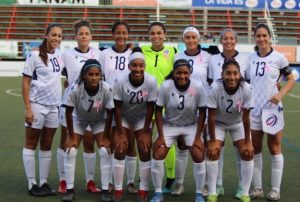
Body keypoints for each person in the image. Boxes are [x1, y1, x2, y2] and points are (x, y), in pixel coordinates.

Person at [247, 23, 295, 201]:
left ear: (269, 37)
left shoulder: (279, 58)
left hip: (272, 111)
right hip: (254, 110)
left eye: (264, 35)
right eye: (258, 36)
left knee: (274, 148)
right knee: (255, 150)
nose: (261, 39)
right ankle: (257, 188)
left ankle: (275, 190)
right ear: (255, 38)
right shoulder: (250, 58)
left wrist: (280, 93)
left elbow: (291, 79)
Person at [150, 59, 207, 202]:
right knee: (158, 154)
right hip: (170, 124)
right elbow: (158, 110)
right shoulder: (166, 86)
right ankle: (158, 193)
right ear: (173, 73)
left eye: (185, 73)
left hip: (191, 125)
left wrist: (198, 136)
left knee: (199, 155)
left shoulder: (198, 86)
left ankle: (199, 194)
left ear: (190, 73)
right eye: (179, 73)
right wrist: (161, 136)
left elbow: (202, 112)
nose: (182, 76)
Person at [57, 19, 102, 194]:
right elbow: (55, 66)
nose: (83, 36)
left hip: (91, 105)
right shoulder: (66, 54)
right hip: (70, 104)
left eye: (86, 33)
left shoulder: (98, 54)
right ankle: (63, 180)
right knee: (65, 142)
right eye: (80, 33)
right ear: (75, 36)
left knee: (89, 143)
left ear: (91, 36)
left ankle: (90, 181)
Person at [62, 59, 114, 202]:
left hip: (99, 121)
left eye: (97, 74)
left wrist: (106, 136)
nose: (94, 77)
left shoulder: (107, 88)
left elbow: (110, 113)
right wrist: (71, 136)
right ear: (84, 75)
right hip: (79, 119)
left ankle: (105, 190)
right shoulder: (75, 88)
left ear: (101, 76)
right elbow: (68, 112)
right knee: (71, 151)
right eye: (90, 74)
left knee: (104, 150)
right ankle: (69, 190)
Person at [207, 28, 250, 198]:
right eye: (225, 38)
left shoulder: (245, 59)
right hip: (218, 118)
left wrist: (248, 140)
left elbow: (248, 83)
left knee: (246, 151)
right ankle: (216, 188)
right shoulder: (213, 61)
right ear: (221, 40)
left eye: (232, 38)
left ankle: (243, 189)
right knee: (215, 150)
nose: (229, 41)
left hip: (238, 119)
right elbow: (211, 83)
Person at [22, 23, 63, 197]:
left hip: (55, 107)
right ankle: (32, 184)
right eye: (53, 35)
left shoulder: (60, 55)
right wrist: (28, 108)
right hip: (37, 105)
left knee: (47, 145)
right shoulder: (34, 55)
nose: (56, 39)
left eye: (60, 36)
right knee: (31, 144)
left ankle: (44, 182)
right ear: (46, 35)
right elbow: (25, 82)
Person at [112, 47, 158, 202]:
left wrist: (145, 131)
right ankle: (118, 189)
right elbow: (117, 106)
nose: (137, 69)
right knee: (120, 147)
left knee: (144, 148)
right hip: (123, 116)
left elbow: (151, 106)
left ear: (144, 66)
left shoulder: (151, 81)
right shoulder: (120, 80)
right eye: (134, 65)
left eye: (140, 65)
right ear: (129, 66)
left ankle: (143, 189)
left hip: (141, 117)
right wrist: (119, 131)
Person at [99, 21, 138, 196]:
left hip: (129, 105)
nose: (121, 36)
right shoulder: (104, 54)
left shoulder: (133, 53)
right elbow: (99, 78)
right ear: (113, 34)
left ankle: (130, 182)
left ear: (128, 35)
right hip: (109, 104)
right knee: (112, 143)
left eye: (124, 33)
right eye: (118, 33)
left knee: (129, 143)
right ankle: (111, 182)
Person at [172, 26, 212, 196]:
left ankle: (204, 186)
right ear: (183, 40)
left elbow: (212, 81)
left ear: (198, 39)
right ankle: (179, 184)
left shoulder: (208, 57)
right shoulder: (177, 57)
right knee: (182, 146)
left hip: (203, 107)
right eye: (187, 37)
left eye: (194, 37)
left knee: (201, 146)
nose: (191, 40)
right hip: (183, 107)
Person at [141, 22, 177, 193]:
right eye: (153, 33)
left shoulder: (173, 52)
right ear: (149, 35)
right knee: (146, 139)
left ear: (164, 34)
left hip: (167, 102)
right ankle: (145, 174)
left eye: (159, 33)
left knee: (166, 140)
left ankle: (170, 177)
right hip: (145, 102)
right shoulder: (141, 51)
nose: (156, 36)